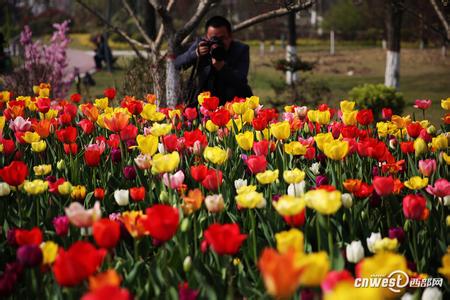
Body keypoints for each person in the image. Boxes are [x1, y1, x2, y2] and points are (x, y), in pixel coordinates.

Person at [175, 16, 253, 106]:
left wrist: (222, 68)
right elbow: (177, 64)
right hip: (205, 97)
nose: (218, 43)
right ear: (206, 37)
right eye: (214, 39)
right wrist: (196, 53)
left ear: (230, 36)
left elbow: (241, 80)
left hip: (232, 100)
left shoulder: (240, 49)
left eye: (222, 38)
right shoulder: (202, 45)